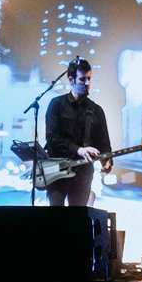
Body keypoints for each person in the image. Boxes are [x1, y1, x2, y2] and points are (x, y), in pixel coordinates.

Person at [44, 57, 112, 207]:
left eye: (89, 79)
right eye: (82, 79)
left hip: (83, 173)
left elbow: (104, 143)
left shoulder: (96, 110)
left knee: (77, 218)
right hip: (56, 171)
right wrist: (78, 150)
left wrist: (106, 160)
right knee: (55, 217)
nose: (87, 83)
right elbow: (52, 139)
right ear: (71, 80)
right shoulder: (56, 105)